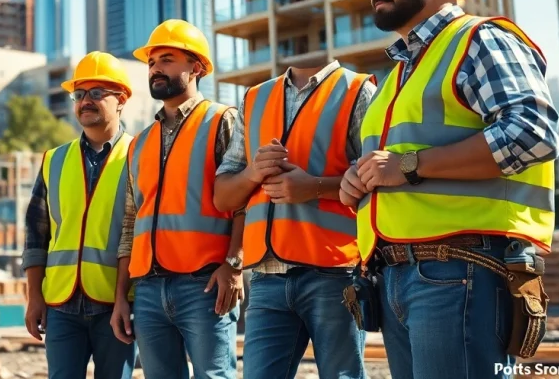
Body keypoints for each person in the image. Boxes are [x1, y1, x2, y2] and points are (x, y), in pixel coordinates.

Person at [340, 0, 559, 379]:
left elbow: (534, 132)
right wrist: (358, 182)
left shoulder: (480, 39)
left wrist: (409, 165)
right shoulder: (398, 75)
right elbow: (392, 165)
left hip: (460, 270)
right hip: (398, 275)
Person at [213, 59, 376, 379]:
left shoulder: (357, 91)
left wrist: (313, 187)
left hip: (334, 274)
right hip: (266, 278)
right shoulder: (255, 98)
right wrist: (252, 172)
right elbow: (223, 197)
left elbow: (377, 181)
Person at [110, 19, 244, 379]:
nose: (155, 69)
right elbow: (130, 224)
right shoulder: (139, 143)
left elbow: (246, 200)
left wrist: (234, 264)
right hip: (148, 289)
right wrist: (122, 296)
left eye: (167, 60)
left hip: (205, 285)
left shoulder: (223, 121)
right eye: (152, 62)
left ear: (196, 67)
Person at [23, 52, 139, 379]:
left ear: (121, 99)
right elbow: (36, 234)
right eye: (79, 94)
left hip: (116, 304)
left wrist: (125, 297)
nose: (86, 101)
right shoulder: (54, 160)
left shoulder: (139, 156)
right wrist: (34, 297)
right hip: (61, 305)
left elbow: (139, 233)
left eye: (97, 93)